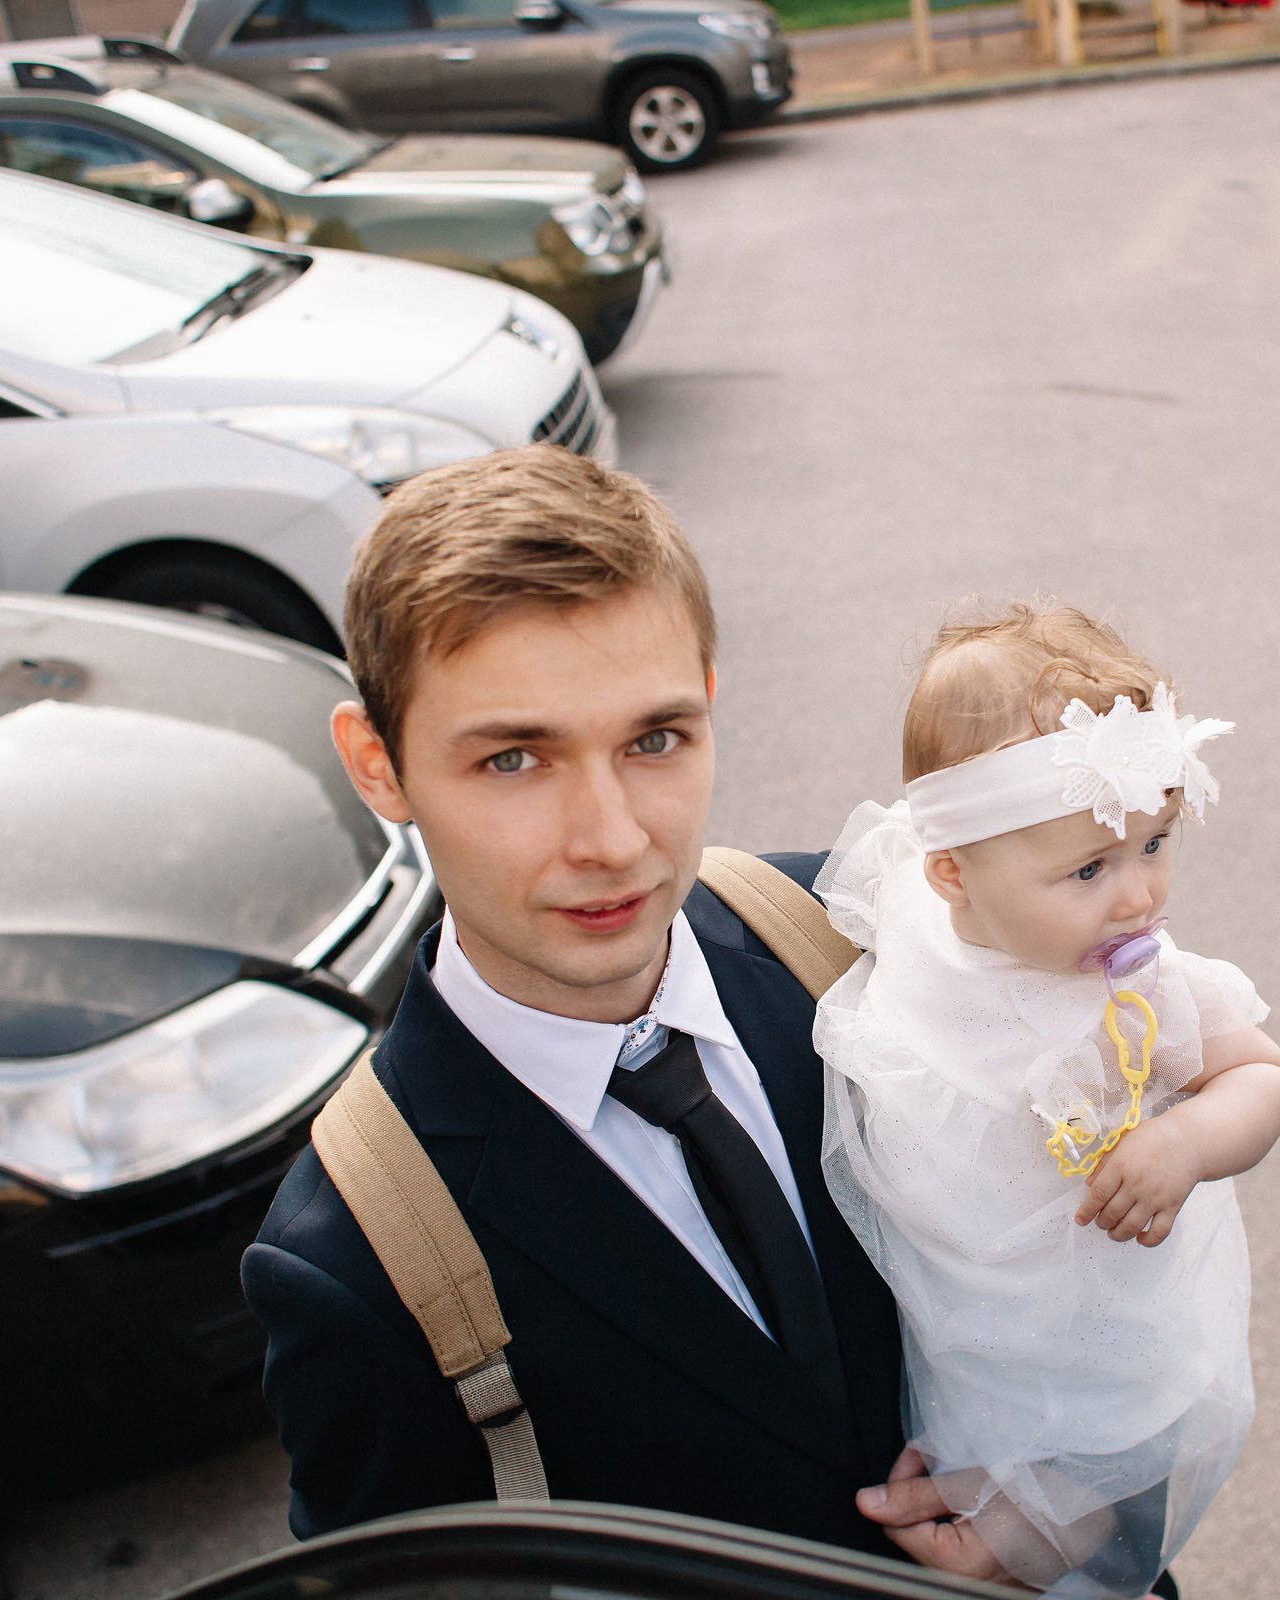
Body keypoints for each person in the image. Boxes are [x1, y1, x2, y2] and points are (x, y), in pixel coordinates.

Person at [241, 444, 1011, 1578]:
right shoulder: (359, 1267)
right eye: (514, 759)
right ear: (378, 764)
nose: (612, 838)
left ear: (707, 702)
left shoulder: (851, 938)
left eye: (654, 740)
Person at [813, 603, 1280, 1597]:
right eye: (1090, 867)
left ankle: (1076, 1512)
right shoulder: (911, 929)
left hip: (1100, 1326)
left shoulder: (1140, 989)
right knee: (976, 1433)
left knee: (1087, 1476)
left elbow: (1263, 1074)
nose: (1139, 897)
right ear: (950, 873)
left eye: (1155, 843)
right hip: (969, 1320)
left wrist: (1191, 1142)